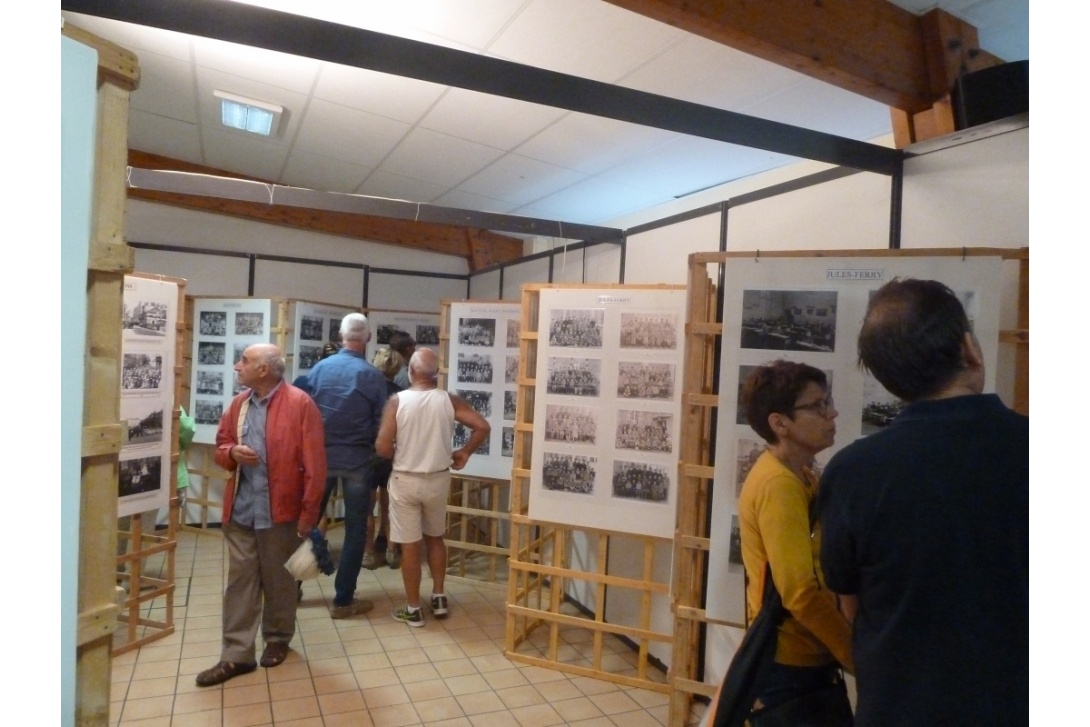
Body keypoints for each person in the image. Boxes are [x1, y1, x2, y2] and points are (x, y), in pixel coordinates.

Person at [816, 278, 1028, 726]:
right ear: (970, 349)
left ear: (889, 379)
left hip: (900, 707)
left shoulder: (853, 472)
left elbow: (851, 605)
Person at [195, 343, 326, 687]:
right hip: (241, 511)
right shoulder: (239, 405)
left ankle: (278, 638)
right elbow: (221, 446)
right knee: (240, 582)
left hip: (281, 512)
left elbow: (316, 466)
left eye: (245, 361)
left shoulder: (300, 404)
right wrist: (232, 452)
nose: (238, 366)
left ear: (264, 370)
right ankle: (236, 655)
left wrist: (308, 516)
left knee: (279, 580)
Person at [731, 360, 853, 721]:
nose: (831, 413)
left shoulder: (798, 475)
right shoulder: (778, 484)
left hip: (804, 658)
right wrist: (853, 653)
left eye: (826, 401)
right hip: (792, 665)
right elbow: (798, 590)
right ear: (779, 423)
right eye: (817, 406)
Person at [376, 348, 490, 627]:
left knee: (411, 547)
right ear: (436, 375)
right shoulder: (448, 400)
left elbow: (381, 445)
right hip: (438, 479)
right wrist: (464, 452)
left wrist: (401, 455)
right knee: (436, 538)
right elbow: (482, 427)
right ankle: (438, 596)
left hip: (406, 479)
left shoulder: (397, 401)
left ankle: (414, 608)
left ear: (411, 372)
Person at [305, 313, 388, 620]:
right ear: (366, 339)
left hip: (320, 459)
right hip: (357, 460)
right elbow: (382, 422)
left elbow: (306, 414)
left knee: (307, 524)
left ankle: (293, 587)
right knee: (355, 529)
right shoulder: (373, 376)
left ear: (341, 336)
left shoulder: (319, 370)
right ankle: (343, 599)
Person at [363, 347, 405, 571]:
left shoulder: (367, 390)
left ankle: (369, 553)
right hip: (393, 453)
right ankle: (391, 551)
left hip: (370, 452)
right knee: (390, 506)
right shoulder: (400, 394)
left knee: (368, 508)